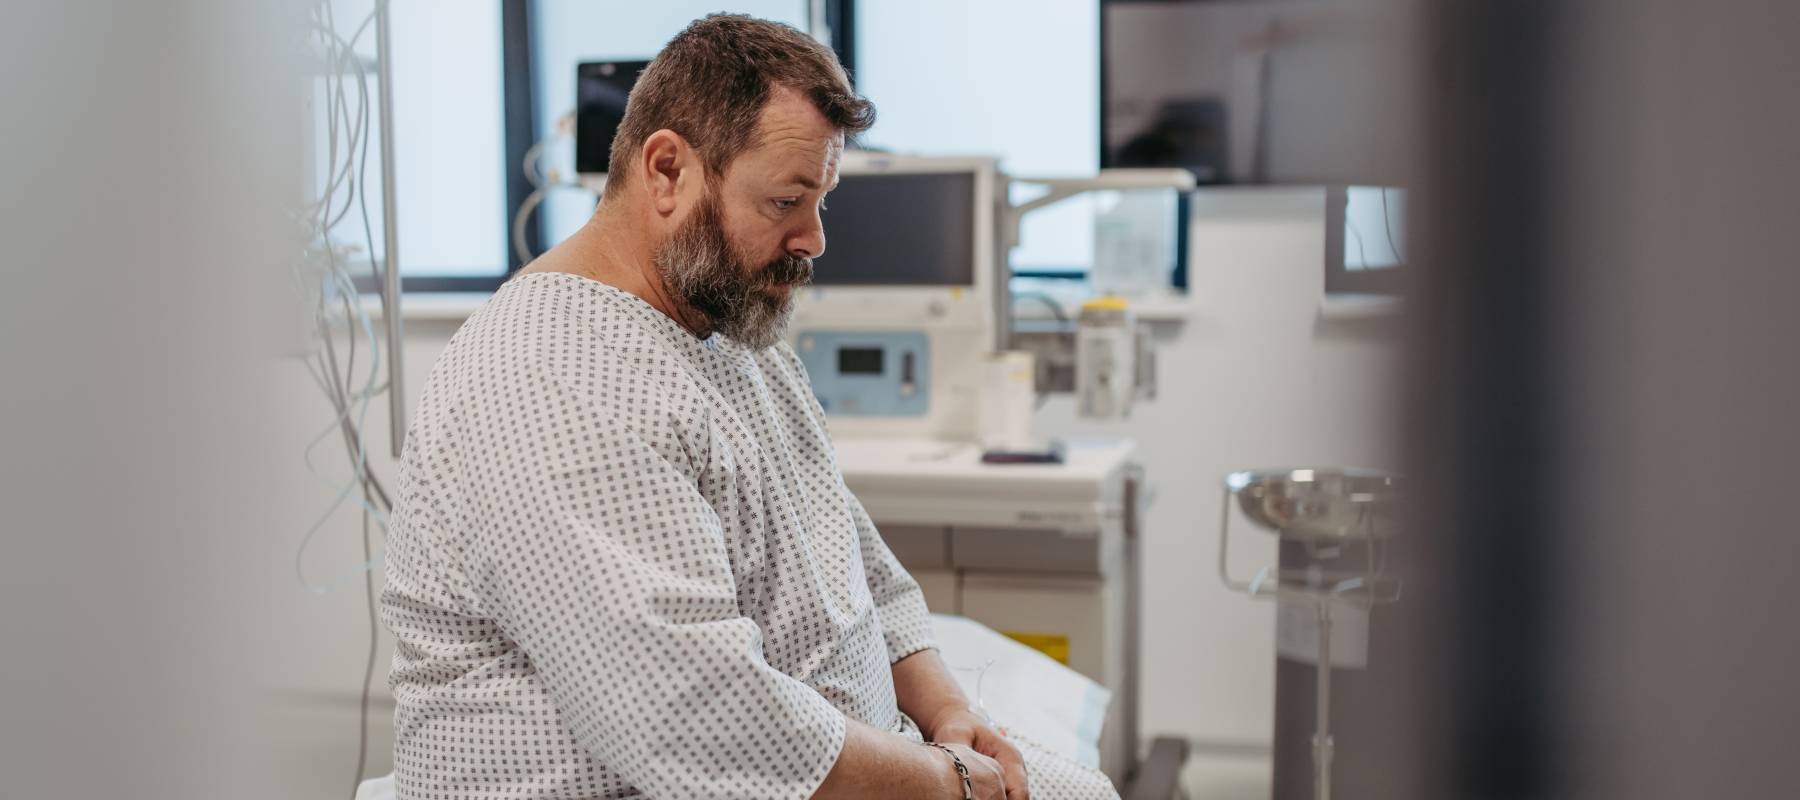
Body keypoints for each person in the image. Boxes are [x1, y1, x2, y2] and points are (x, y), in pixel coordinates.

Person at [381, 14, 1119, 800]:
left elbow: (856, 564)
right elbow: (697, 715)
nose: (815, 239)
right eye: (786, 201)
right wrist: (946, 783)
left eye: (822, 200)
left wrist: (947, 711)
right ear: (667, 171)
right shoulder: (547, 378)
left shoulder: (728, 333)